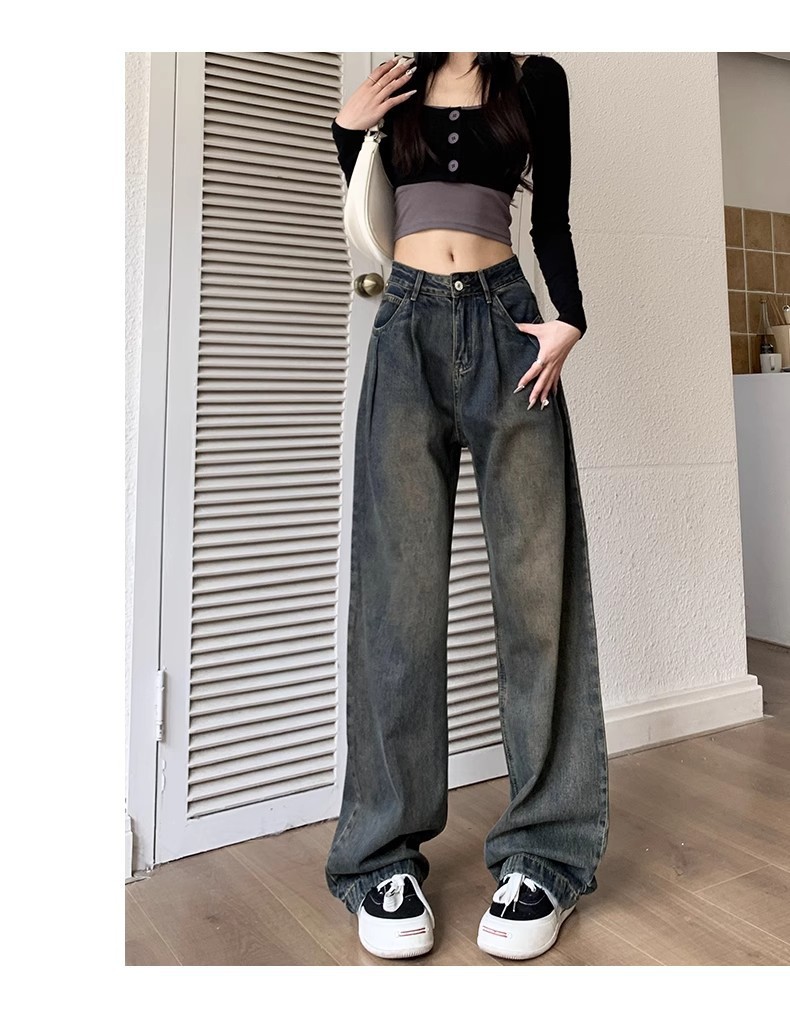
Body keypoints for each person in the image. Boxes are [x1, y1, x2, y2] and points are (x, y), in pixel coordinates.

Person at [324, 52, 610, 962]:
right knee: (397, 602)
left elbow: (551, 214)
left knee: (538, 594)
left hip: (508, 326)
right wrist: (347, 131)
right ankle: (382, 857)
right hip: (405, 326)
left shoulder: (533, 78)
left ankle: (545, 856)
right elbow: (373, 214)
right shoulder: (396, 81)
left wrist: (570, 315)